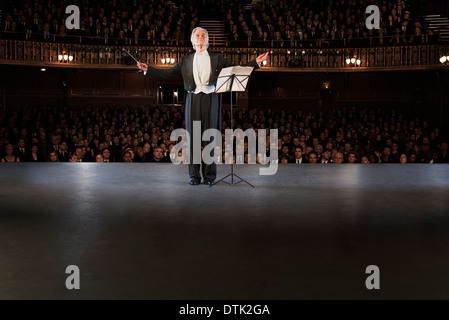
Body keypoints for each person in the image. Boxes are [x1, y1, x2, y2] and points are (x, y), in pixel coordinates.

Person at [137, 27, 268, 185]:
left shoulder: (217, 58)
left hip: (211, 99)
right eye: (197, 36)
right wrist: (148, 70)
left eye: (203, 35)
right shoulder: (185, 60)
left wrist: (255, 63)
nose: (200, 37)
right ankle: (194, 176)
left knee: (210, 139)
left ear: (207, 41)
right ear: (192, 41)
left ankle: (209, 177)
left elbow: (236, 70)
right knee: (193, 140)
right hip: (193, 99)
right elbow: (168, 74)